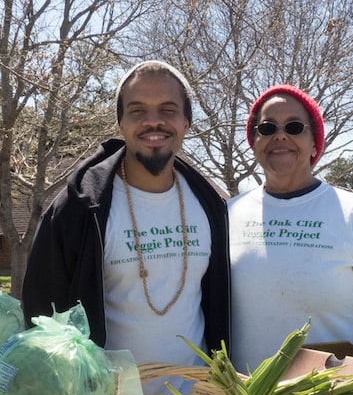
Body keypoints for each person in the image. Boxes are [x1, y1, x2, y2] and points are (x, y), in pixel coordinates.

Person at [21, 60, 230, 366]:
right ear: (121, 122)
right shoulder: (77, 209)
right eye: (137, 111)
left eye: (168, 110)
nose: (153, 122)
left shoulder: (211, 206)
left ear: (187, 122)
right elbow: (41, 318)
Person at [228, 84, 353, 372]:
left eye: (294, 126)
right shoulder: (226, 216)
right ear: (254, 141)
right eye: (267, 128)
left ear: (315, 143)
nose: (280, 135)